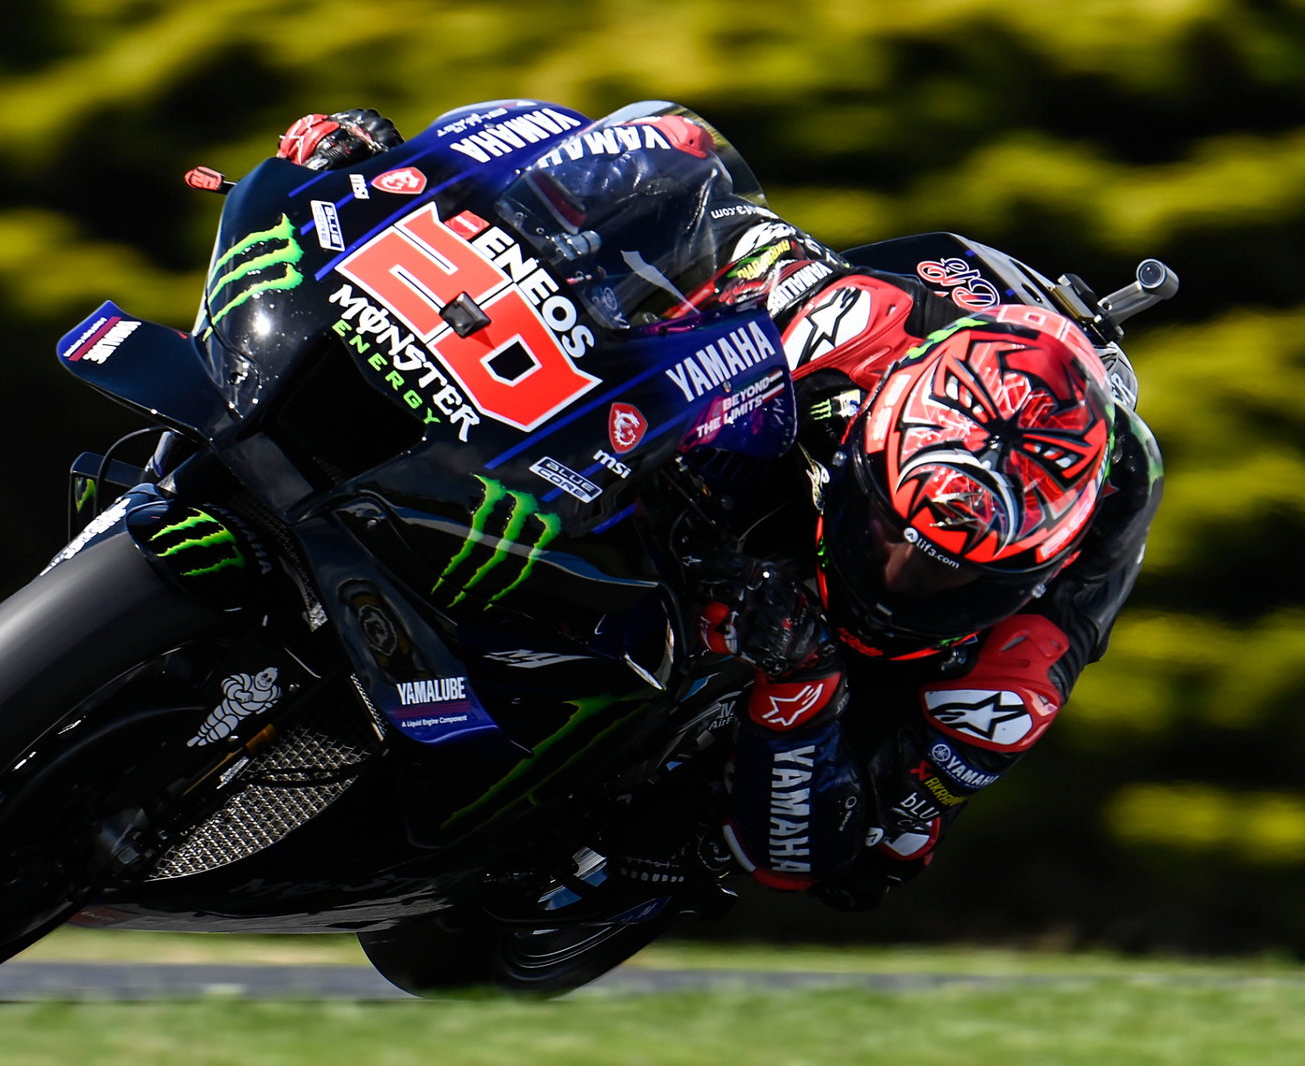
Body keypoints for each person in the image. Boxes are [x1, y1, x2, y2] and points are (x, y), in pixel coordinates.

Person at [274, 108, 1164, 911]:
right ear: (870, 435)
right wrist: (405, 179)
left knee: (886, 844)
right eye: (894, 534)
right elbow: (689, 184)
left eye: (938, 569)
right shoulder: (849, 324)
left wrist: (802, 683)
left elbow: (819, 859)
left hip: (931, 624)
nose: (899, 571)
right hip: (859, 390)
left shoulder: (1039, 623)